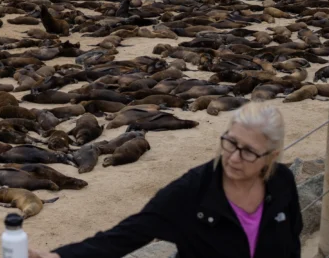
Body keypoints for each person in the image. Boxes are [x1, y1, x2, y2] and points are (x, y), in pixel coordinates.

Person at [30, 103, 302, 258]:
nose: (233, 158)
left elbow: (292, 240)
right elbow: (126, 235)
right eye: (230, 143)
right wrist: (58, 257)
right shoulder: (193, 190)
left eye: (249, 151)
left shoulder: (282, 182)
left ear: (271, 156)